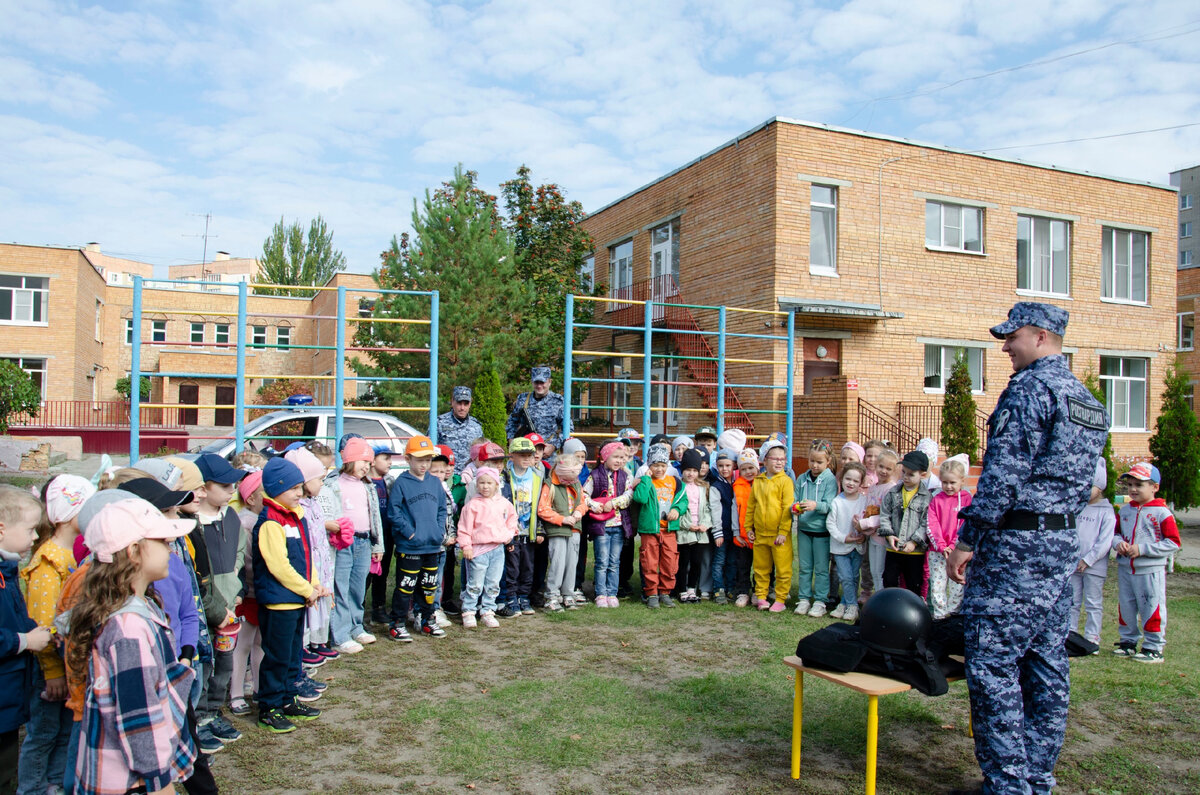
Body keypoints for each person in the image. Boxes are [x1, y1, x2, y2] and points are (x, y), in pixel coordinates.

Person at [948, 302, 1108, 795]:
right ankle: (1037, 777)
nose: (1004, 347)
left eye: (1011, 338)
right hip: (1060, 543)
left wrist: (968, 539)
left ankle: (1007, 785)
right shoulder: (1084, 399)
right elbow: (1083, 482)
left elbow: (1001, 478)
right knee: (1047, 662)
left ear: (1040, 337)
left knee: (994, 665)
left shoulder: (1029, 390)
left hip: (1015, 548)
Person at [68, 498, 198, 795]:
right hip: (132, 782)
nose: (170, 548)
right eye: (163, 542)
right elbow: (138, 715)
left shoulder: (137, 607)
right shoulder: (129, 628)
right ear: (134, 551)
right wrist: (159, 782)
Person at [18, 475, 93, 795]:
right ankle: (32, 788)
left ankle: (53, 784)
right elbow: (43, 624)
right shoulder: (49, 562)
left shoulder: (66, 556)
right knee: (44, 733)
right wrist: (52, 673)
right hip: (50, 670)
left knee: (61, 731)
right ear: (69, 514)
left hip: (64, 666)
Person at [252, 458, 328, 734]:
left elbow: (305, 556)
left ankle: (287, 698)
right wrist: (306, 589)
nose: (300, 493)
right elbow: (278, 565)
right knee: (277, 656)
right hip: (279, 600)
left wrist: (315, 584)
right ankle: (269, 707)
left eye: (301, 487)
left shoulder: (295, 516)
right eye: (294, 488)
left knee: (293, 653)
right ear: (277, 489)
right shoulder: (271, 521)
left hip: (297, 598)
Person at [190, 453, 247, 749]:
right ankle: (198, 717)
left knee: (224, 664)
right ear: (205, 486)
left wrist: (238, 589)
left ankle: (212, 712)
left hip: (229, 606)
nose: (231, 491)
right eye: (225, 486)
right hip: (206, 609)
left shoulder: (231, 516)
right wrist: (215, 606)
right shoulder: (191, 524)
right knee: (204, 665)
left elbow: (239, 554)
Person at [1, 486, 53, 795]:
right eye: (31, 529)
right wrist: (24, 641)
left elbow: (16, 619)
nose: (35, 538)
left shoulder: (7, 571)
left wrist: (40, 631)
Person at [318, 438, 383, 654]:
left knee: (358, 586)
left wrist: (377, 544)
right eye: (363, 461)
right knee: (341, 587)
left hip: (364, 541)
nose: (367, 466)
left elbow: (375, 517)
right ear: (349, 460)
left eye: (369, 462)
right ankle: (340, 633)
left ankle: (357, 625)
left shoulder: (368, 486)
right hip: (343, 542)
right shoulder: (332, 484)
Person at [1113, 462, 1180, 663]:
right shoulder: (1125, 511)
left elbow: (1173, 542)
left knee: (1151, 606)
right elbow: (1115, 534)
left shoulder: (1162, 513)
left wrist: (1143, 549)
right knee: (1126, 606)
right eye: (1130, 484)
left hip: (1150, 570)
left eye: (1139, 485)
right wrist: (1118, 544)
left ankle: (1153, 646)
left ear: (1154, 487)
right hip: (1126, 568)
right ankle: (1128, 642)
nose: (1133, 489)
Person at [387, 436, 447, 641]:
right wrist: (410, 533)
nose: (424, 464)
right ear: (408, 459)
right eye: (419, 459)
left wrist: (439, 531)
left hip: (432, 545)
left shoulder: (434, 482)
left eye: (428, 459)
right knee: (406, 587)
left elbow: (441, 509)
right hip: (410, 547)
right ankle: (397, 623)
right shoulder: (401, 482)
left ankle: (428, 620)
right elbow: (394, 513)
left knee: (430, 586)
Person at [457, 468, 518, 628]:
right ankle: (469, 610)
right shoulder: (472, 506)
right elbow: (464, 528)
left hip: (497, 549)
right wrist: (466, 546)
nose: (485, 486)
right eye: (482, 483)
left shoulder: (504, 503)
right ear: (476, 484)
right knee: (475, 583)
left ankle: (488, 610)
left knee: (493, 582)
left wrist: (508, 535)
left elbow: (512, 519)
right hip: (478, 550)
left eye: (489, 483)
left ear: (496, 484)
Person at [629, 444, 686, 609]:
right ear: (649, 466)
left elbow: (683, 500)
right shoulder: (645, 481)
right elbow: (640, 498)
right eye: (655, 466)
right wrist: (646, 479)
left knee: (670, 562)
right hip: (650, 530)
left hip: (668, 530)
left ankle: (665, 592)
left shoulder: (675, 482)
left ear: (667, 465)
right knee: (650, 562)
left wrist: (676, 509)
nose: (659, 469)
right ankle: (651, 593)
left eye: (663, 465)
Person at [582, 441, 632, 608]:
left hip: (618, 525)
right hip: (601, 526)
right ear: (605, 457)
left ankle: (612, 593)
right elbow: (584, 495)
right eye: (615, 457)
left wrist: (615, 502)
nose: (619, 461)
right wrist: (595, 506)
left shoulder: (625, 476)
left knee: (614, 561)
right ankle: (601, 593)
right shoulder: (595, 475)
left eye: (622, 457)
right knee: (602, 561)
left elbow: (629, 494)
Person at [1071, 459, 1114, 648]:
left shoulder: (1106, 512)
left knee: (1093, 602)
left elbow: (1105, 542)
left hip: (1094, 567)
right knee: (1071, 600)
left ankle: (1092, 636)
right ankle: (1070, 634)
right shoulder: (1075, 508)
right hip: (1073, 565)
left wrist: (1088, 560)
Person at [747, 441, 794, 612]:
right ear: (764, 460)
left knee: (783, 568)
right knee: (760, 568)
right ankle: (761, 597)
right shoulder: (758, 481)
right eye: (775, 459)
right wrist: (748, 528)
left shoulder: (786, 482)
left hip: (779, 536)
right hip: (760, 534)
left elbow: (787, 508)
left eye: (783, 459)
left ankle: (780, 599)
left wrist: (783, 532)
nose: (780, 462)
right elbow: (751, 506)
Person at [792, 439, 837, 617]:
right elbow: (794, 499)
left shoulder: (830, 480)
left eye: (819, 462)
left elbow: (830, 505)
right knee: (804, 567)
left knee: (821, 568)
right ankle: (803, 599)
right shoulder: (802, 478)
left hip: (821, 532)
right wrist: (794, 508)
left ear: (828, 462)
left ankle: (820, 601)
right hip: (803, 530)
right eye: (812, 461)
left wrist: (815, 505)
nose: (815, 465)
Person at [536, 455, 587, 612]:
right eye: (567, 477)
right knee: (558, 563)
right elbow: (543, 509)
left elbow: (582, 502)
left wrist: (579, 512)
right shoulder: (550, 484)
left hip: (574, 529)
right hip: (557, 530)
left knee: (572, 562)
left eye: (573, 477)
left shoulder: (576, 482)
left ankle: (568, 593)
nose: (571, 480)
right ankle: (552, 594)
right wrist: (561, 519)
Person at [878, 450, 931, 596]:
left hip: (914, 551)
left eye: (911, 474)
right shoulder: (893, 492)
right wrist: (889, 535)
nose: (906, 477)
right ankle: (890, 610)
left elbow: (926, 522)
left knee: (913, 582)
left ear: (923, 474)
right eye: (904, 472)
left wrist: (914, 542)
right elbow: (884, 515)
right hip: (893, 548)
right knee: (889, 580)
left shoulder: (927, 497)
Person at [926, 454, 971, 619]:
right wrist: (941, 545)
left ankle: (953, 615)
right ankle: (939, 616)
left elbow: (964, 524)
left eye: (953, 482)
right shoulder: (936, 499)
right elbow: (932, 523)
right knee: (938, 586)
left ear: (962, 481)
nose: (949, 486)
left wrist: (953, 545)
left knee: (956, 585)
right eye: (945, 482)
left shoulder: (967, 499)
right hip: (938, 552)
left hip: (957, 551)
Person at [825, 462, 867, 622]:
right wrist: (844, 538)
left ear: (861, 483)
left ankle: (844, 603)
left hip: (857, 547)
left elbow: (867, 520)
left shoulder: (864, 501)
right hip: (840, 547)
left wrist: (863, 532)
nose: (851, 483)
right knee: (846, 576)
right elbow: (831, 524)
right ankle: (852, 605)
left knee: (854, 576)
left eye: (856, 481)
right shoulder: (837, 501)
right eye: (848, 479)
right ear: (842, 479)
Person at [858, 448, 899, 600]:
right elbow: (868, 507)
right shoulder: (874, 487)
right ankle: (877, 598)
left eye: (889, 469)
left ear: (894, 470)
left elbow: (884, 514)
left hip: (882, 537)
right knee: (873, 570)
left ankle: (882, 599)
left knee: (880, 571)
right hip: (872, 536)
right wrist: (860, 519)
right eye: (881, 466)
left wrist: (864, 523)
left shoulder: (891, 489)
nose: (884, 471)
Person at [672, 449, 711, 603]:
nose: (691, 474)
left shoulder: (703, 488)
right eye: (688, 470)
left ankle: (691, 589)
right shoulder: (679, 487)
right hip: (684, 531)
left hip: (700, 531)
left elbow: (707, 509)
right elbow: (675, 509)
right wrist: (687, 525)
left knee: (696, 562)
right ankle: (681, 589)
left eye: (694, 470)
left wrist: (705, 524)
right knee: (683, 562)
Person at [367, 446, 397, 626]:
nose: (390, 462)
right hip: (371, 536)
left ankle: (378, 608)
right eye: (385, 458)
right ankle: (359, 608)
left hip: (387, 533)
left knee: (383, 572)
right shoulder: (364, 482)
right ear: (372, 460)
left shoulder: (389, 481)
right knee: (366, 575)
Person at [706, 449, 738, 605]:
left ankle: (730, 587)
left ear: (734, 466)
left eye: (728, 465)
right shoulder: (716, 486)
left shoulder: (736, 484)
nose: (725, 469)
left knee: (732, 561)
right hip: (722, 531)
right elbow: (715, 510)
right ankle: (718, 589)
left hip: (734, 531)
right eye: (721, 466)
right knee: (719, 561)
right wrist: (717, 533)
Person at [506, 366, 567, 449]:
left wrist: (554, 446)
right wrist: (511, 441)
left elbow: (568, 428)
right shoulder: (523, 399)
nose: (539, 386)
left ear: (549, 382)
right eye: (536, 382)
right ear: (532, 382)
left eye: (542, 382)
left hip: (546, 452)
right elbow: (512, 422)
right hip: (524, 451)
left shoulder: (558, 401)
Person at [728, 449, 757, 606]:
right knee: (742, 566)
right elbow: (734, 510)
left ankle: (759, 591)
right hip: (742, 535)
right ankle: (742, 592)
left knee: (761, 567)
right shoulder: (737, 486)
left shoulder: (762, 484)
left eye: (751, 468)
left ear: (757, 468)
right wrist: (736, 532)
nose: (748, 472)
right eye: (744, 469)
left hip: (759, 534)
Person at [437, 386, 484, 475]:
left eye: (466, 404)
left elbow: (480, 454)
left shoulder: (476, 426)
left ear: (470, 404)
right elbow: (432, 450)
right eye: (459, 403)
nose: (462, 408)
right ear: (452, 402)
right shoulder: (440, 423)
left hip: (470, 477)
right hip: (446, 476)